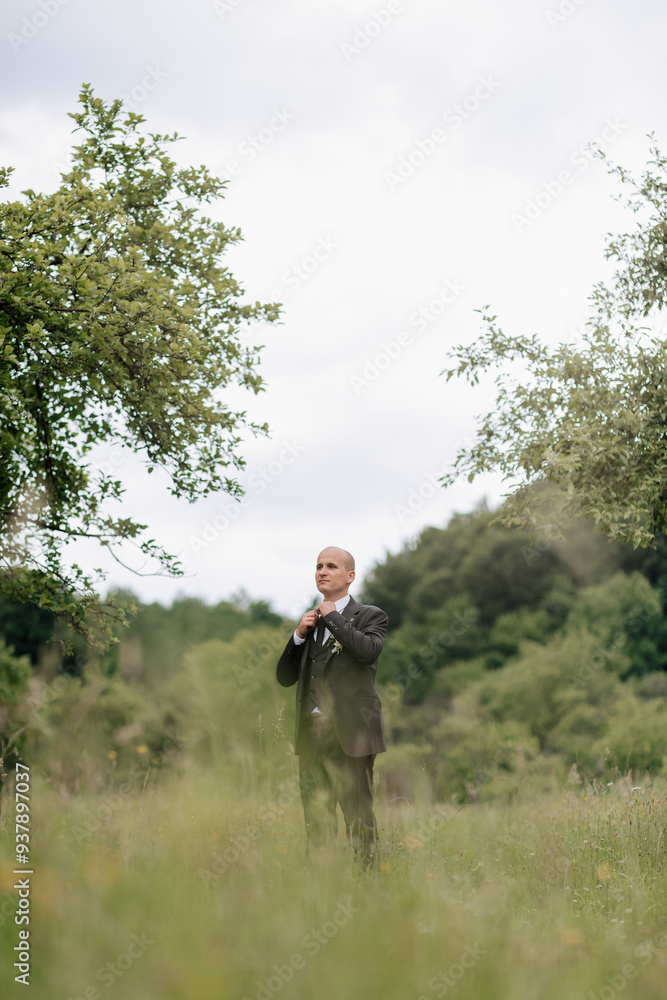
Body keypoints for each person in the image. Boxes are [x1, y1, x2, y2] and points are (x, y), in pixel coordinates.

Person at [276, 546, 387, 864]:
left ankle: (370, 889)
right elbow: (285, 678)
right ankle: (319, 893)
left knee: (359, 821)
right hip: (311, 738)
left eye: (331, 566)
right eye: (318, 566)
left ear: (350, 576)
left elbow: (367, 651)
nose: (322, 571)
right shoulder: (309, 623)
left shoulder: (371, 615)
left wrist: (333, 617)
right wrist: (298, 635)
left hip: (352, 736)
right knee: (317, 823)